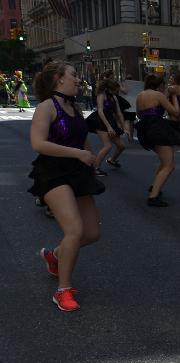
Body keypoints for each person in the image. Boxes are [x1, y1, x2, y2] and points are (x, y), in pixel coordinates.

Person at [27, 62, 105, 312]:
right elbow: (37, 144)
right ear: (59, 79)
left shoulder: (75, 107)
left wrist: (90, 159)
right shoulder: (46, 107)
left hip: (78, 171)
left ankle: (55, 255)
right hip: (52, 171)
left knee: (92, 233)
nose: (78, 80)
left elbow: (82, 141)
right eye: (73, 75)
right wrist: (77, 153)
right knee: (74, 229)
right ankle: (63, 290)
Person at [135, 73, 180, 206]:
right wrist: (173, 96)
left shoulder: (140, 95)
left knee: (164, 161)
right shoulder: (158, 95)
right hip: (157, 129)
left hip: (145, 129)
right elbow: (175, 112)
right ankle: (153, 196)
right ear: (159, 85)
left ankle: (154, 186)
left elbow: (139, 114)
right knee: (169, 164)